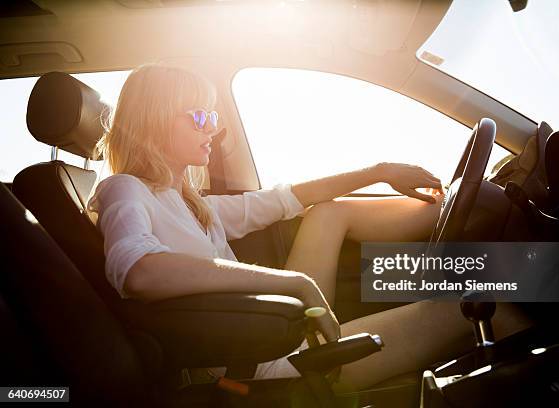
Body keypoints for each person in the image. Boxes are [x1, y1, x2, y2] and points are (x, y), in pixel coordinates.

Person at [86, 63, 531, 389]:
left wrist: (377, 171)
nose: (214, 129)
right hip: (261, 363)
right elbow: (138, 270)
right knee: (495, 309)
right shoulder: (124, 190)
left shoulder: (188, 203)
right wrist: (295, 283)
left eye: (215, 116)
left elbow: (285, 199)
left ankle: (454, 214)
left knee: (326, 212)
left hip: (275, 330)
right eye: (200, 117)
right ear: (156, 119)